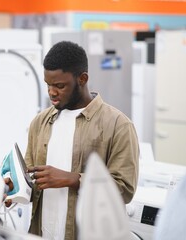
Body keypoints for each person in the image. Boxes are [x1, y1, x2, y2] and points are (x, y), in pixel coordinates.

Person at [23, 41, 139, 240]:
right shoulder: (40, 122)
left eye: (60, 86)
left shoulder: (118, 125)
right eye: (48, 84)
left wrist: (72, 179)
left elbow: (125, 189)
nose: (51, 92)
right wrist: (13, 187)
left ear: (82, 79)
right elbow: (30, 176)